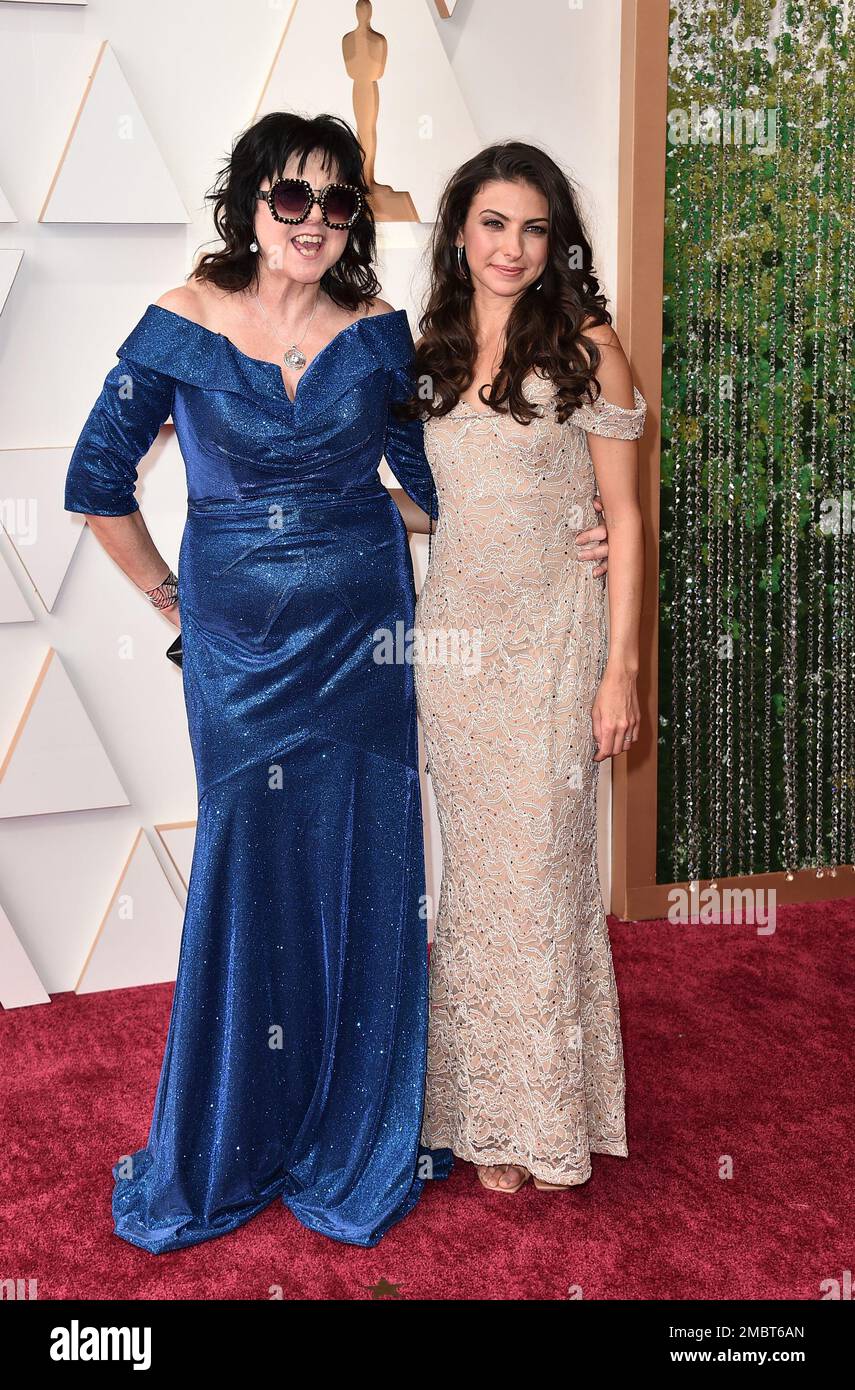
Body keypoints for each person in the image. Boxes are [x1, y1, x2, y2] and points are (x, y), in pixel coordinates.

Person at [62, 111, 458, 1251]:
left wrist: (564, 516)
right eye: (293, 196)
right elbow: (97, 481)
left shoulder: (375, 335)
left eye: (337, 202)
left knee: (365, 863)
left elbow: (435, 488)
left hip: (363, 641)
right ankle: (232, 1135)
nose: (314, 221)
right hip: (237, 652)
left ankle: (352, 1130)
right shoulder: (182, 324)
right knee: (250, 868)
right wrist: (170, 601)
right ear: (248, 204)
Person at [396, 142, 646, 1194]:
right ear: (460, 231)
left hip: (554, 641)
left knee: (543, 877)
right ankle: (481, 1114)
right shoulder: (430, 349)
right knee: (482, 882)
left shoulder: (587, 345)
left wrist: (620, 672)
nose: (513, 246)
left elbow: (624, 517)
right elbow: (444, 505)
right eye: (494, 223)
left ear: (556, 242)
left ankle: (550, 1117)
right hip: (455, 647)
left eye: (534, 228)